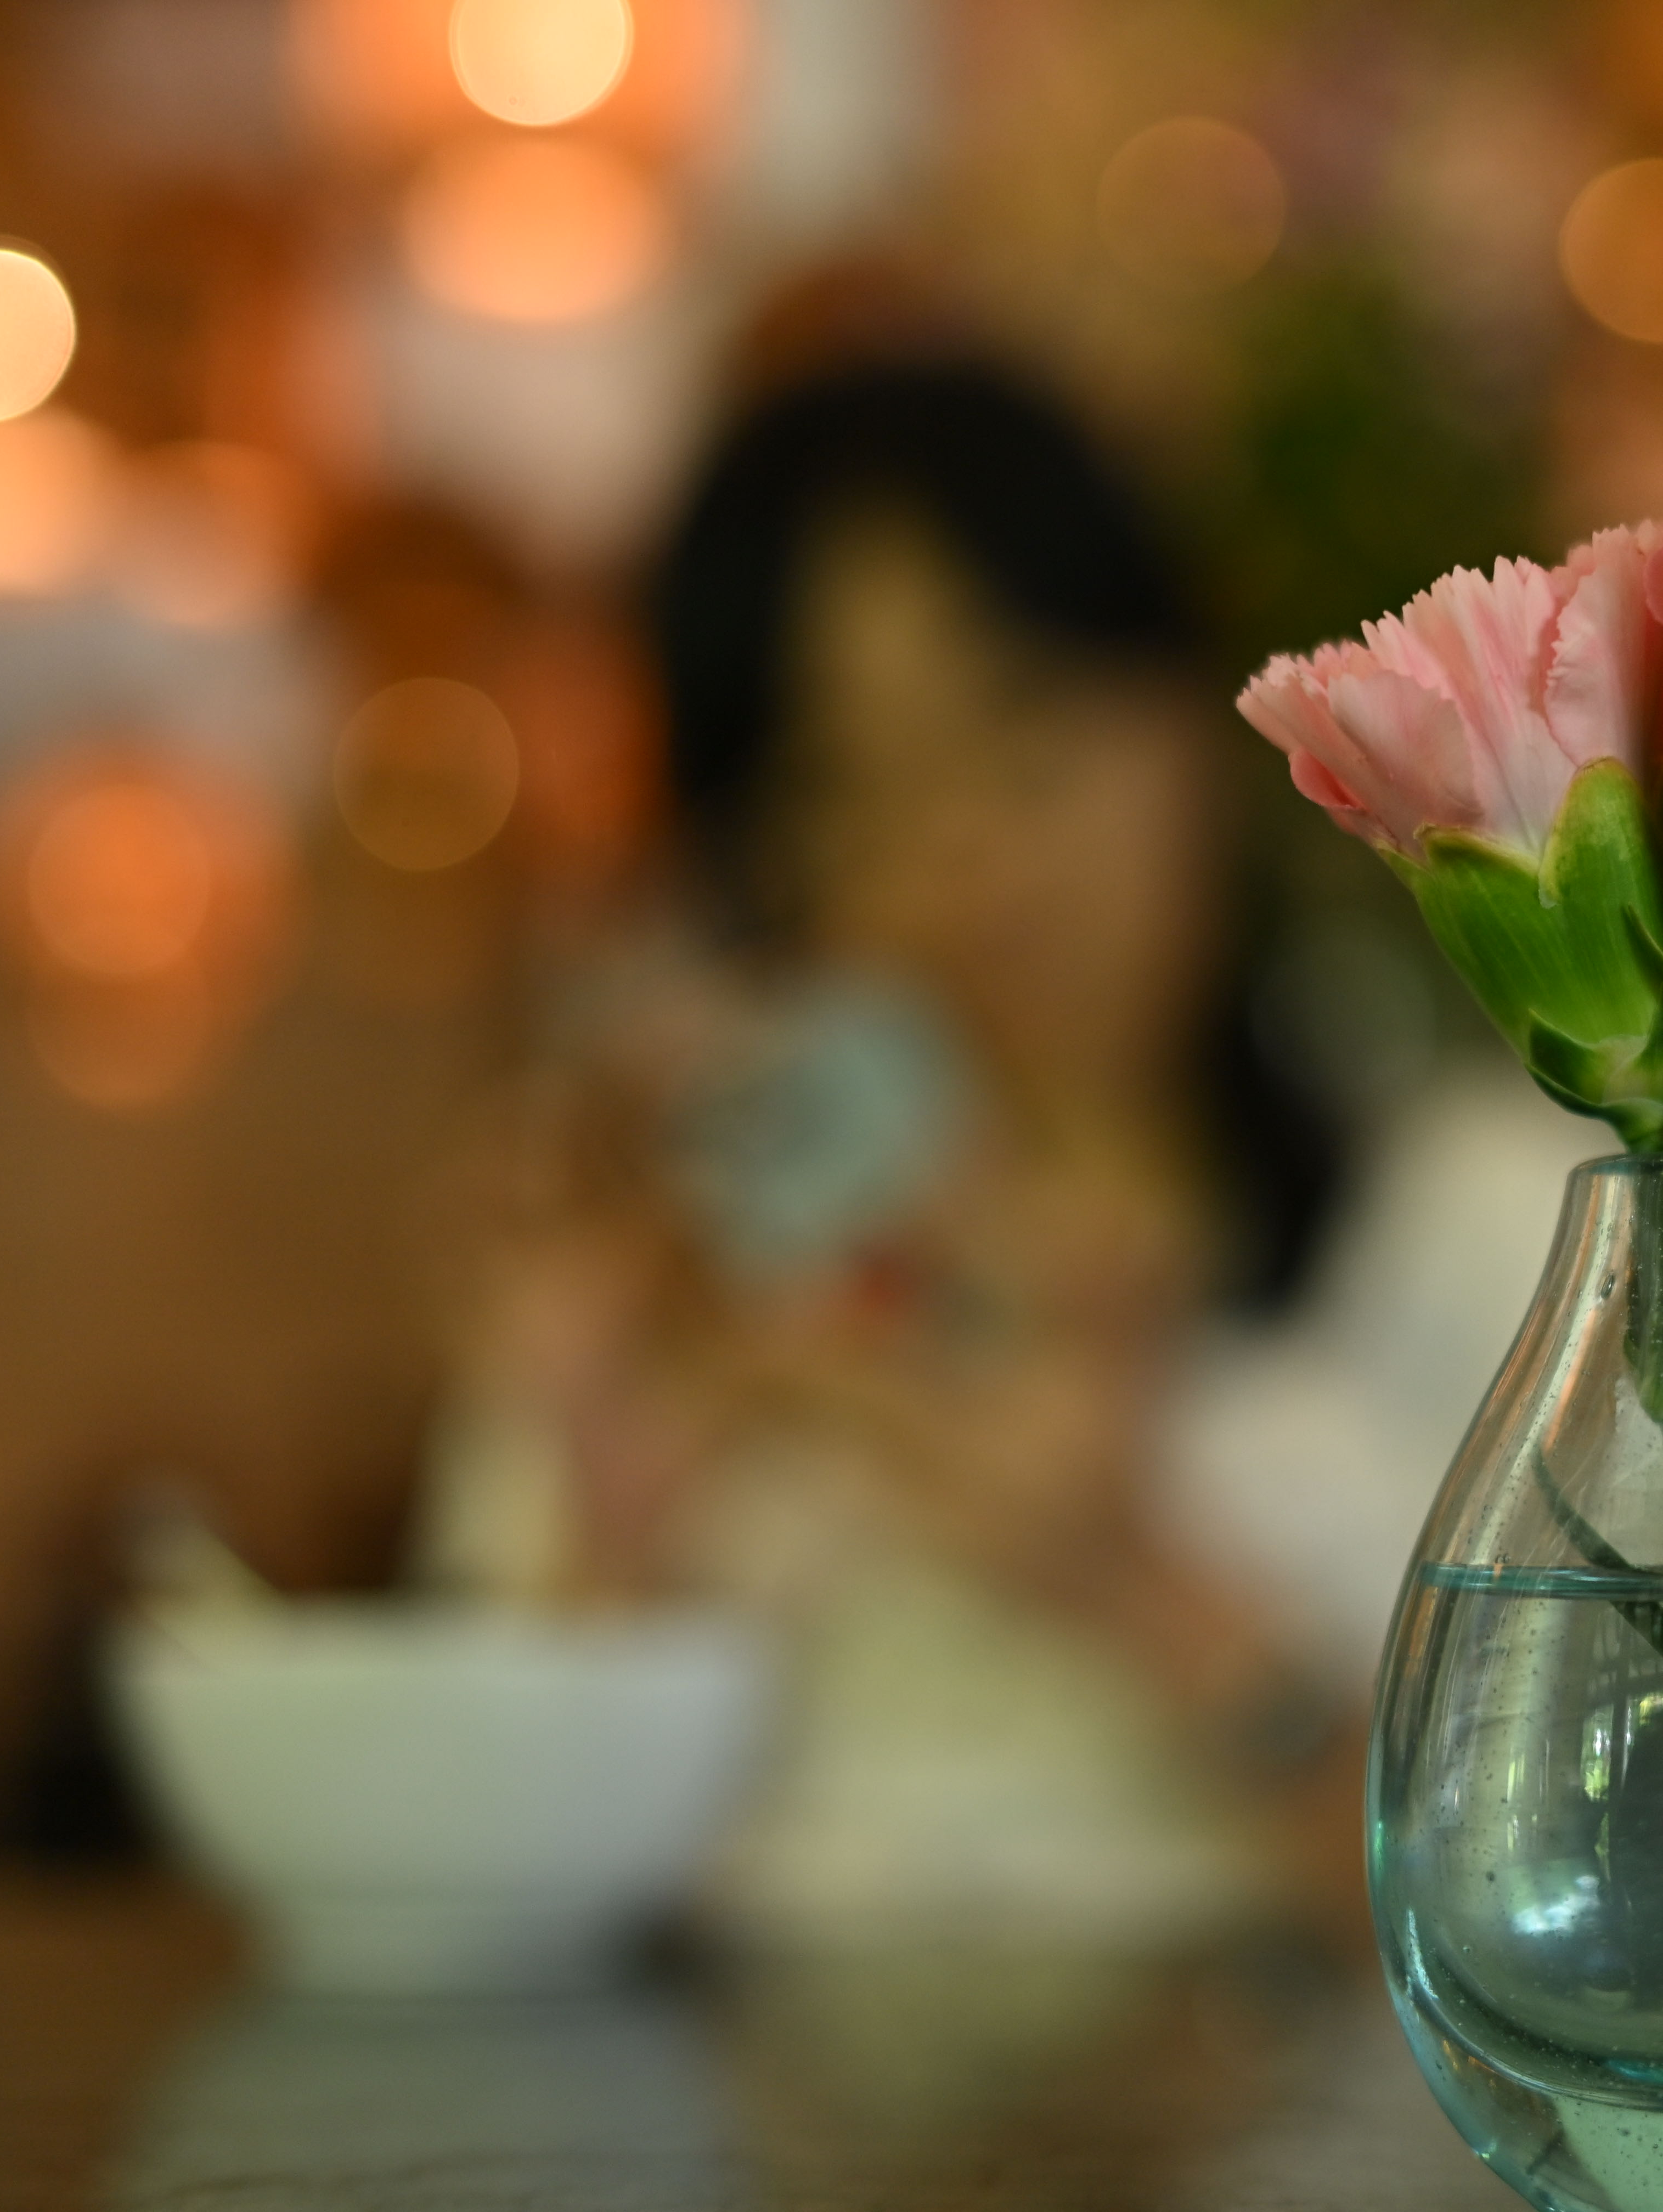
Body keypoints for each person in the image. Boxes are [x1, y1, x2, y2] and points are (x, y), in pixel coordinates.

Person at [424, 358, 1356, 1946]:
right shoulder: (665, 1304)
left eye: (1021, 729)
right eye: (846, 789)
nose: (960, 857)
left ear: (1205, 714)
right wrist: (612, 1534)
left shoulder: (1506, 1247)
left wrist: (1135, 1587)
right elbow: (472, 1936)